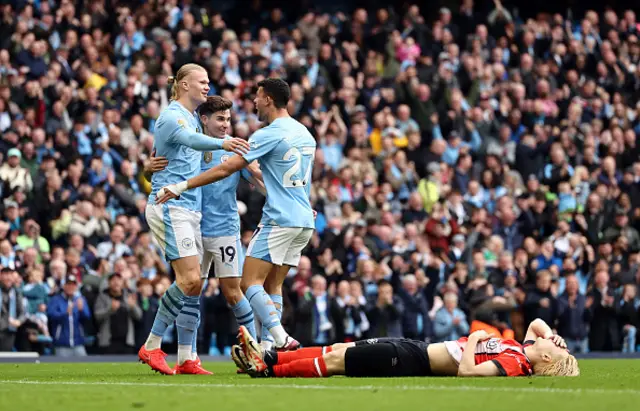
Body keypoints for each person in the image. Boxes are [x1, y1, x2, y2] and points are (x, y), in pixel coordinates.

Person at [156, 78, 316, 351]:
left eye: (257, 96)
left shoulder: (252, 139)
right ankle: (256, 349)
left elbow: (242, 171)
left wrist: (181, 186)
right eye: (220, 119)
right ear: (203, 120)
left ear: (267, 98)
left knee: (246, 284)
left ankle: (275, 338)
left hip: (239, 226)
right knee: (267, 284)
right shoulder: (306, 134)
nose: (253, 101)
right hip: (199, 225)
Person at [138, 63, 250, 375]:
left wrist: (146, 169)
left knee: (193, 285)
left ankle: (187, 357)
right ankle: (151, 345)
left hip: (188, 210)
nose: (207, 85)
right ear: (184, 84)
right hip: (171, 206)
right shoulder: (174, 115)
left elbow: (169, 157)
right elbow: (189, 141)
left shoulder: (188, 117)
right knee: (189, 280)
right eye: (202, 81)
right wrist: (222, 143)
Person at [232, 318, 579, 378]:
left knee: (339, 359)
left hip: (411, 360)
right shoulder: (523, 347)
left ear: (545, 357)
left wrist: (474, 340)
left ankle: (269, 370)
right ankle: (270, 356)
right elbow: (536, 323)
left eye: (554, 345)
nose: (550, 338)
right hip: (417, 347)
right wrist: (552, 335)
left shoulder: (516, 364)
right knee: (338, 347)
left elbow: (468, 371)